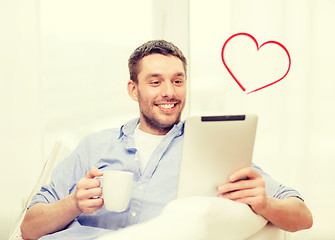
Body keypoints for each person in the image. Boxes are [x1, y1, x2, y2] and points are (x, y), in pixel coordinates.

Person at [21, 40, 313, 240]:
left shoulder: (210, 147)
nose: (169, 92)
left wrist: (263, 203)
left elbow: (302, 216)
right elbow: (29, 227)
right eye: (155, 81)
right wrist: (73, 203)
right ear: (133, 90)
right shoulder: (93, 146)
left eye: (177, 80)